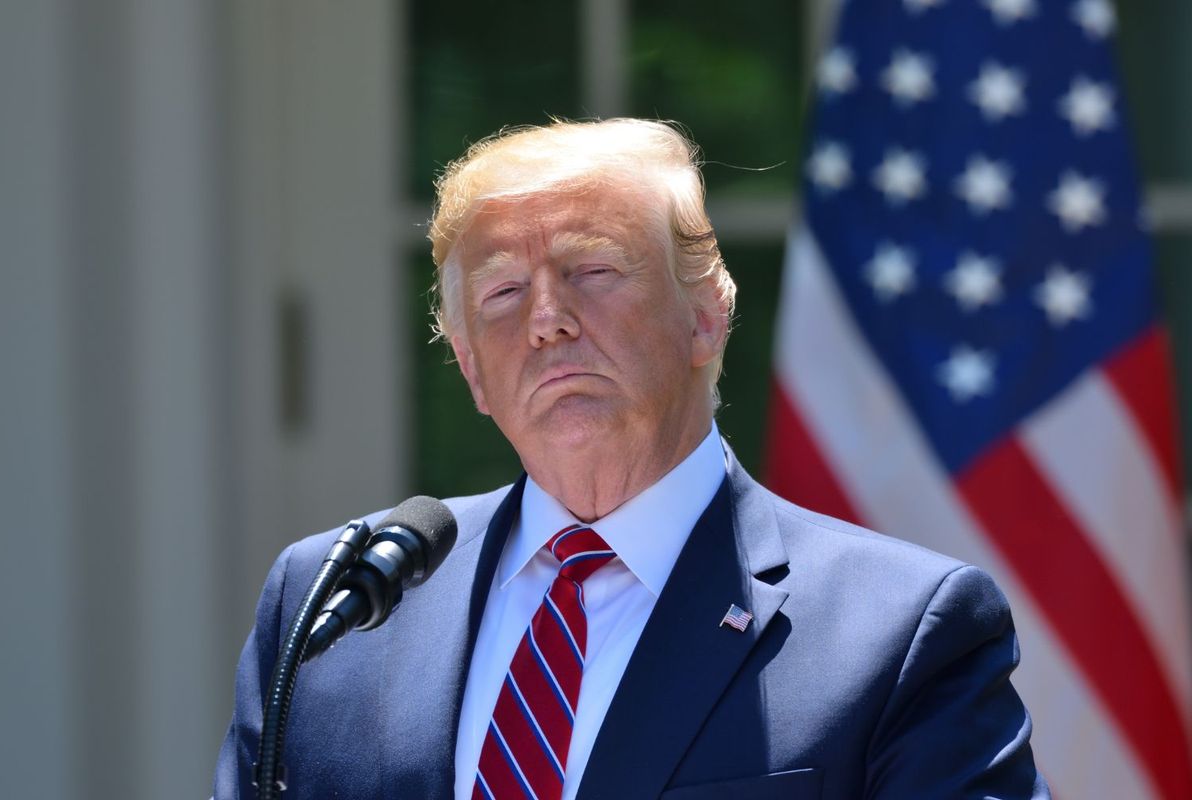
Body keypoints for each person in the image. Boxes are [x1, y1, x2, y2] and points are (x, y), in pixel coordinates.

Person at [214, 118, 1049, 799]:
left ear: (706, 318)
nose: (547, 320)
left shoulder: (902, 631)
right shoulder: (337, 604)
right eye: (504, 292)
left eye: (594, 269)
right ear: (471, 368)